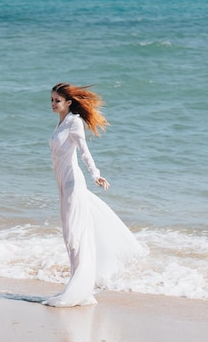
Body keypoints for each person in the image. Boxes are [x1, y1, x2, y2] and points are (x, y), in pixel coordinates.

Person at [44, 83, 148, 307]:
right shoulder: (61, 121)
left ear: (68, 103)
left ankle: (78, 289)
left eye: (57, 100)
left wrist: (96, 175)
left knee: (74, 235)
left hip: (73, 182)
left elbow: (84, 152)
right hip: (61, 182)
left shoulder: (74, 122)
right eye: (51, 100)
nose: (53, 104)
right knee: (68, 235)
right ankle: (78, 286)